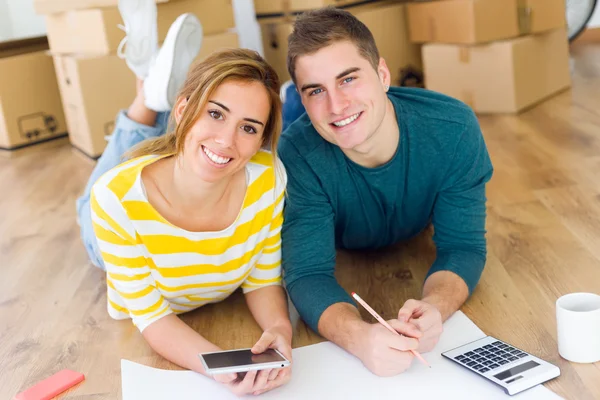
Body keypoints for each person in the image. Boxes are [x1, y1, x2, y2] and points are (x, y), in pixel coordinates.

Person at [76, 3, 291, 396]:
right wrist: (223, 368)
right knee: (90, 204)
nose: (227, 140)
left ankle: (152, 93)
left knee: (191, 150)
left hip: (175, 161)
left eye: (248, 127)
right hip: (115, 222)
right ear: (185, 107)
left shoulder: (268, 177)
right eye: (215, 113)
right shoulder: (116, 201)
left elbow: (261, 279)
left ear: (262, 140)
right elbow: (153, 318)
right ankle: (146, 94)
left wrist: (279, 329)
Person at [278, 7, 494, 377]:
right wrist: (359, 337)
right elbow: (307, 273)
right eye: (316, 89)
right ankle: (292, 100)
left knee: (335, 118)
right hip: (314, 156)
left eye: (348, 79)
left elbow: (463, 246)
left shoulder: (453, 128)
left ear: (382, 73)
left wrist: (436, 308)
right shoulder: (296, 154)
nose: (336, 103)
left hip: (407, 192)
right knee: (297, 127)